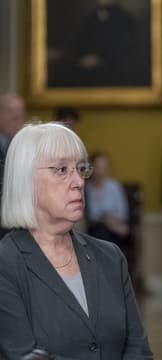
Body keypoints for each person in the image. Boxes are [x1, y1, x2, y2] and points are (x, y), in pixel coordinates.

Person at [0, 123, 152, 359]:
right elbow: (20, 354)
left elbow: (138, 350)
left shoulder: (110, 256)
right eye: (61, 170)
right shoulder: (6, 263)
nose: (79, 182)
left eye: (81, 169)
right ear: (25, 180)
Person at [85, 151, 130, 248]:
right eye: (98, 167)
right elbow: (90, 215)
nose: (101, 171)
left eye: (104, 168)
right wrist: (106, 221)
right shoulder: (85, 188)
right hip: (94, 231)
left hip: (115, 230)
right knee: (100, 230)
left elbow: (122, 213)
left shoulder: (114, 186)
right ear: (91, 168)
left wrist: (112, 222)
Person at [0, 93, 26, 238]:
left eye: (21, 113)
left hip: (18, 220)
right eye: (13, 114)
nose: (19, 119)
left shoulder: (22, 144)